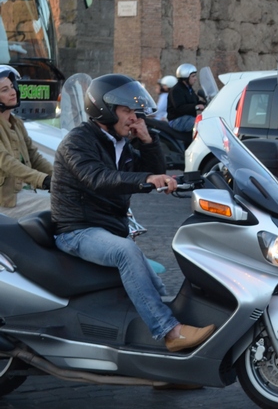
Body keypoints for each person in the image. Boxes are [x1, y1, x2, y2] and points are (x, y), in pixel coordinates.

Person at [50, 74, 215, 352]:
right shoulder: (77, 142)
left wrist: (148, 141)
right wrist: (146, 180)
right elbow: (98, 178)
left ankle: (168, 364)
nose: (133, 117)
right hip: (77, 230)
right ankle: (170, 332)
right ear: (103, 109)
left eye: (134, 111)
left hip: (108, 227)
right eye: (126, 110)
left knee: (152, 279)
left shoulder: (120, 143)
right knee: (126, 252)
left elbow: (153, 170)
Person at [0, 66, 53, 219]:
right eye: (4, 90)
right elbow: (5, 161)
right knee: (59, 205)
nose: (12, 92)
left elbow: (34, 156)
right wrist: (41, 180)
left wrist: (59, 177)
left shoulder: (16, 123)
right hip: (6, 200)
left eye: (12, 87)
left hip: (24, 193)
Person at [167, 63, 205, 134]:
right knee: (201, 125)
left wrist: (207, 104)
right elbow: (179, 107)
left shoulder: (189, 89)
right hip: (177, 120)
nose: (195, 79)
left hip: (187, 119)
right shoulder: (176, 90)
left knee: (205, 122)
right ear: (186, 78)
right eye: (193, 76)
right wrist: (196, 107)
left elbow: (196, 101)